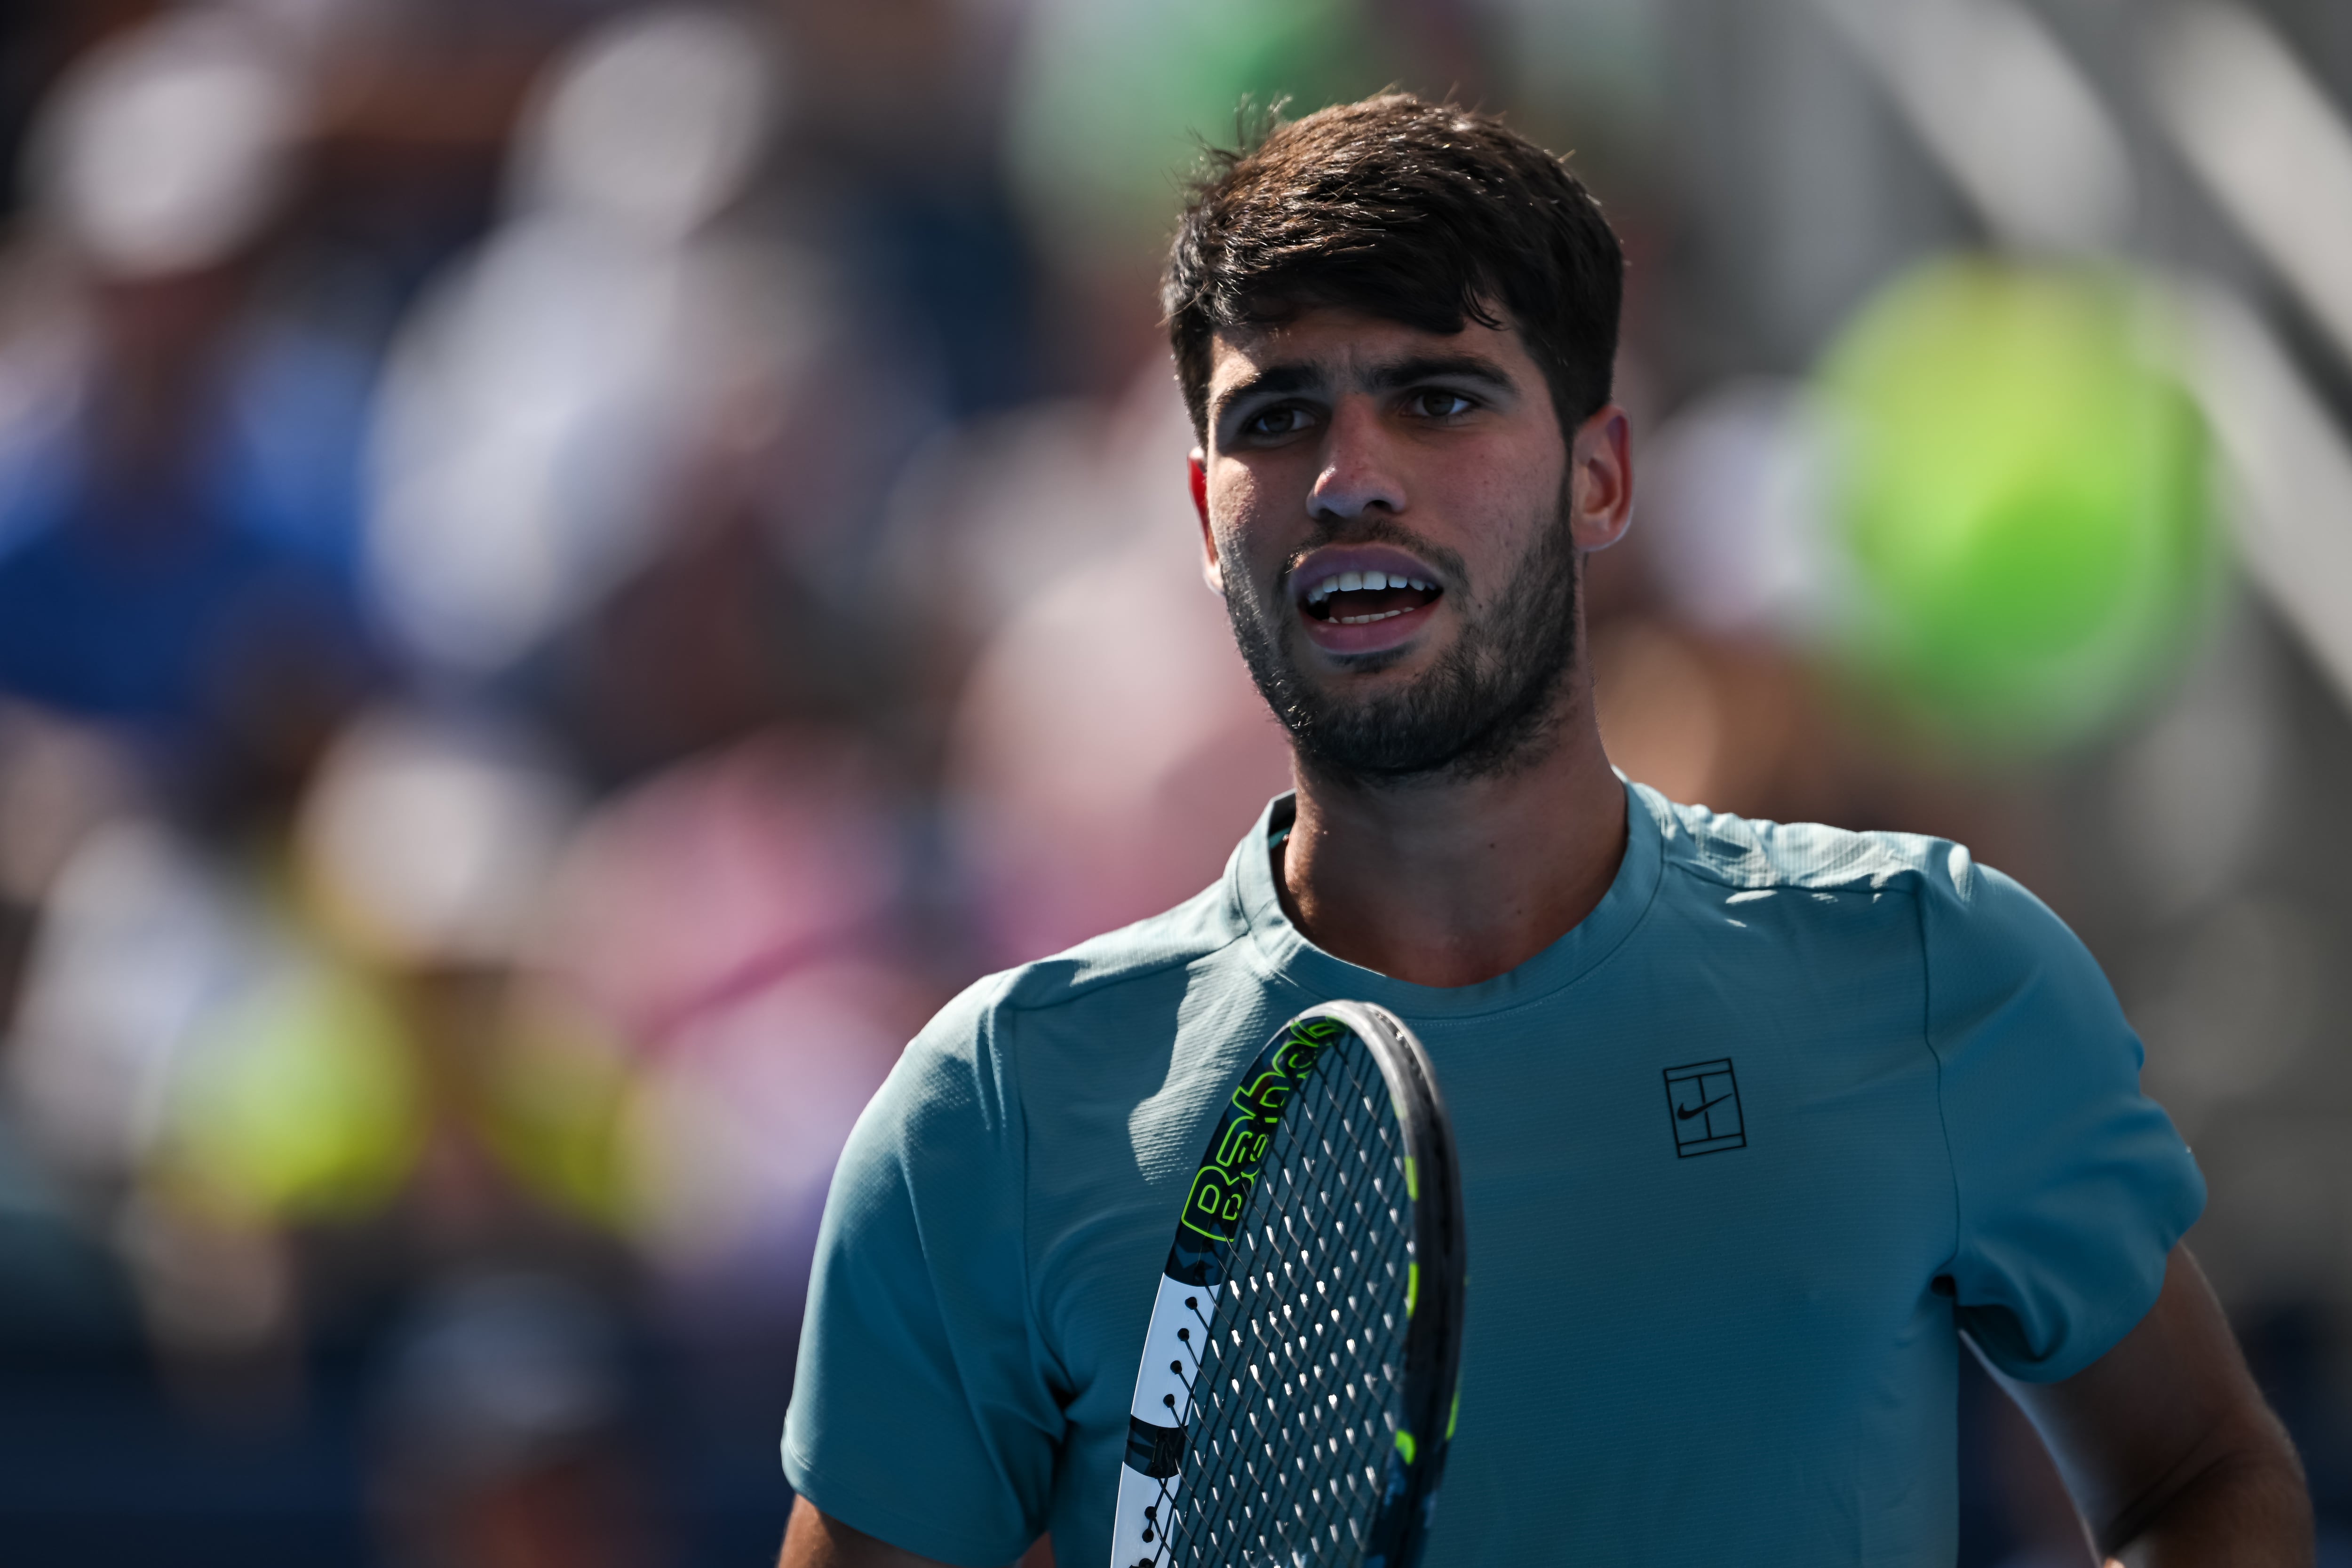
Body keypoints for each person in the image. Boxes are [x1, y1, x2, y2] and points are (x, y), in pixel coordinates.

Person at [776, 95, 2312, 1567]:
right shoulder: (992, 1113)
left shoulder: (1931, 959)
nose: (1350, 478)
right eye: (1281, 415)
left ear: (1601, 478)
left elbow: (2203, 1474)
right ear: (1199, 511)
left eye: (1438, 398)